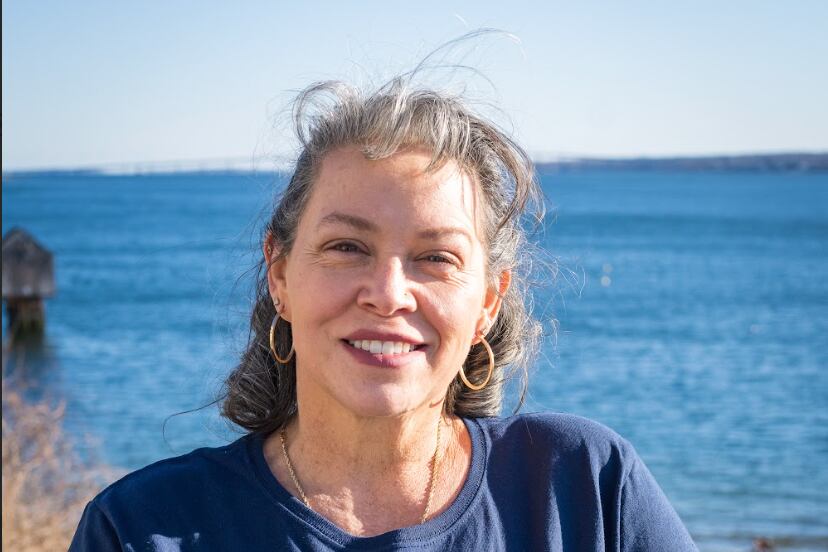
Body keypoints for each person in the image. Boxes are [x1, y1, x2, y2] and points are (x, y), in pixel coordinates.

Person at [70, 75, 698, 551]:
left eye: (436, 257)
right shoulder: (140, 529)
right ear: (280, 272)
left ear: (487, 302)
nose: (389, 292)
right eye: (347, 247)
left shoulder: (585, 489)